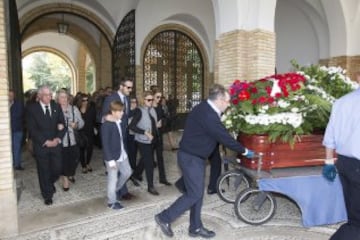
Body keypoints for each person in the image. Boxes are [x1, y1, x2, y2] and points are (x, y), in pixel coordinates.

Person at [155, 84, 254, 238]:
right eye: (227, 102)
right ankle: (164, 217)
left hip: (194, 157)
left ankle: (195, 227)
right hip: (191, 158)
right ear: (220, 100)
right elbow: (224, 137)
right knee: (194, 194)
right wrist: (245, 151)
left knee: (197, 194)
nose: (228, 106)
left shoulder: (204, 107)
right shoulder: (209, 115)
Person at [322, 84, 360, 239]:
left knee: (354, 214)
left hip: (345, 164)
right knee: (357, 223)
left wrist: (329, 163)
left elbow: (330, 136)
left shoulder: (342, 102)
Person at [26, 86, 66, 205]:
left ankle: (49, 183)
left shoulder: (56, 106)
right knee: (43, 171)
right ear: (39, 96)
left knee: (57, 169)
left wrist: (58, 137)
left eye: (50, 94)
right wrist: (45, 141)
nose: (49, 97)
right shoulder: (31, 109)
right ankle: (47, 195)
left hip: (56, 144)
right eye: (46, 95)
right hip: (41, 146)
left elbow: (62, 124)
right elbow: (32, 129)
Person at [102, 79, 137, 199]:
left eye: (131, 88)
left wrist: (132, 110)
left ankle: (120, 190)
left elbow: (125, 117)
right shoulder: (111, 98)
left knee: (125, 167)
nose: (130, 90)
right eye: (128, 87)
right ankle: (118, 193)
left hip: (123, 135)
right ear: (121, 86)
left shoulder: (126, 98)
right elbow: (100, 116)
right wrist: (106, 117)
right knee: (115, 168)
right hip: (113, 136)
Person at [101, 100, 132, 210]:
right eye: (120, 111)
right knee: (112, 180)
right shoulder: (106, 125)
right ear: (113, 112)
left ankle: (115, 190)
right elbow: (105, 144)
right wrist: (110, 160)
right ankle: (111, 202)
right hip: (112, 157)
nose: (122, 113)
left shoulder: (120, 120)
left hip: (122, 154)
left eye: (122, 111)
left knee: (127, 172)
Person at [129, 91, 159, 195]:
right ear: (143, 100)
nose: (151, 101)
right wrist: (145, 132)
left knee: (145, 158)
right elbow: (132, 126)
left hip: (153, 139)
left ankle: (136, 174)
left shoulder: (152, 110)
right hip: (143, 141)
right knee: (149, 163)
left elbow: (153, 123)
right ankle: (150, 187)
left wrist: (158, 125)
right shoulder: (139, 111)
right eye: (149, 100)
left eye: (152, 99)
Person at [56, 89, 84, 191]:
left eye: (65, 97)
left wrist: (76, 125)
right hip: (60, 142)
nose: (64, 99)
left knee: (74, 160)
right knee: (62, 161)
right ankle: (65, 180)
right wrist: (56, 127)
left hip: (73, 140)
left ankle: (69, 173)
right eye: (61, 97)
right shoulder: (54, 110)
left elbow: (82, 123)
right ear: (57, 99)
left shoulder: (74, 109)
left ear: (68, 98)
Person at [152, 90, 171, 185]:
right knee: (146, 158)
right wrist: (153, 124)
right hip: (150, 136)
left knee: (160, 157)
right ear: (153, 97)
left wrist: (162, 122)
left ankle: (162, 178)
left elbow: (165, 118)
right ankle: (137, 173)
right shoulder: (149, 107)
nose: (159, 99)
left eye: (160, 97)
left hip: (159, 135)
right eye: (157, 97)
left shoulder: (160, 107)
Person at [77, 93, 97, 173]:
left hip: (90, 130)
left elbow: (94, 119)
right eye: (83, 100)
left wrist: (95, 127)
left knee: (90, 148)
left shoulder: (91, 108)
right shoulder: (77, 109)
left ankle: (88, 163)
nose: (85, 102)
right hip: (81, 131)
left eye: (87, 100)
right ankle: (83, 166)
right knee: (81, 148)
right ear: (80, 101)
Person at [9, 89, 25, 170]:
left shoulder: (18, 104)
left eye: (12, 95)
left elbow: (18, 115)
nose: (10, 97)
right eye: (9, 95)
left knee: (17, 147)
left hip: (17, 129)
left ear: (14, 96)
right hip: (6, 131)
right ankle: (10, 163)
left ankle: (17, 164)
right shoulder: (3, 104)